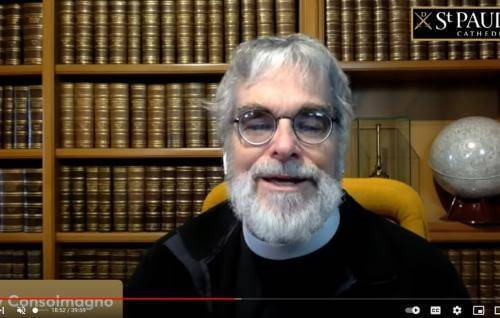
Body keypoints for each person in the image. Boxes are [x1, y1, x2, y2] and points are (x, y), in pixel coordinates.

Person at [125, 34, 469, 317]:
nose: (285, 146)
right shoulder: (169, 272)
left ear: (341, 144)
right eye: (256, 122)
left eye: (312, 121)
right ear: (226, 146)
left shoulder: (424, 277)